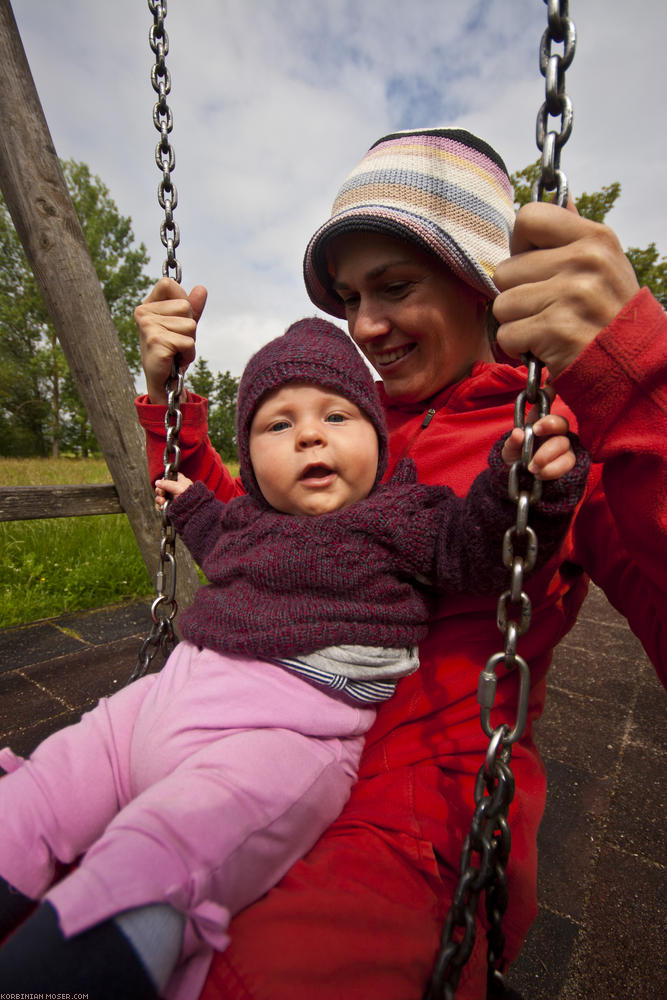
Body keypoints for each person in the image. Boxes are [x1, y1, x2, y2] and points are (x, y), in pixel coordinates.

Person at [133, 127, 667, 1000]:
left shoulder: (558, 446)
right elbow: (254, 534)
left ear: (483, 285)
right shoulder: (358, 429)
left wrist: (634, 373)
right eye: (349, 297)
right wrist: (171, 398)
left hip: (414, 828)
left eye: (394, 286)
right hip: (264, 757)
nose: (364, 325)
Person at [0, 314, 586, 999]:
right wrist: (189, 503)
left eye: (337, 415)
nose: (308, 433)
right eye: (277, 425)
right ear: (250, 461)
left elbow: (479, 548)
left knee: (167, 854)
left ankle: (58, 971)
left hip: (280, 737)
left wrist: (523, 490)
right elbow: (216, 536)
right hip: (163, 699)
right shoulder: (250, 516)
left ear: (377, 438)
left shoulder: (404, 516)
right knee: (42, 788)